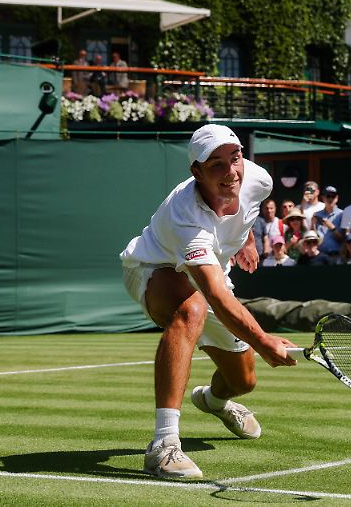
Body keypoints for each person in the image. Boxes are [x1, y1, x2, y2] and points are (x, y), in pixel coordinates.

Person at [118, 124, 297, 479]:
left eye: (235, 158)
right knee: (192, 308)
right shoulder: (186, 215)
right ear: (196, 172)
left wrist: (245, 239)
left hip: (212, 269)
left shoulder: (258, 180)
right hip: (155, 267)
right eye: (216, 164)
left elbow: (245, 212)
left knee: (243, 381)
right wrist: (263, 340)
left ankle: (213, 400)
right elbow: (213, 292)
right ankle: (163, 444)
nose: (231, 171)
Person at [312, 185, 344, 258]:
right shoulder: (317, 215)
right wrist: (313, 225)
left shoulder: (342, 214)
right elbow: (314, 237)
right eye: (328, 196)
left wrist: (332, 228)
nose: (330, 199)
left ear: (337, 198)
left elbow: (343, 239)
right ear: (323, 198)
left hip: (336, 255)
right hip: (320, 255)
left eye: (333, 196)